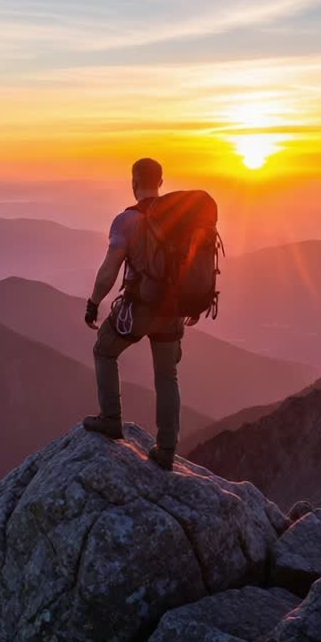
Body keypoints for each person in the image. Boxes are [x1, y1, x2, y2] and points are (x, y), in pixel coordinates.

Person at [82, 157, 184, 470]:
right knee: (167, 375)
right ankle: (166, 449)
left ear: (133, 182)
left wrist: (94, 302)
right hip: (173, 309)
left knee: (104, 350)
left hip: (139, 306)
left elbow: (111, 266)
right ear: (162, 181)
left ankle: (111, 419)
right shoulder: (181, 219)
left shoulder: (126, 221)